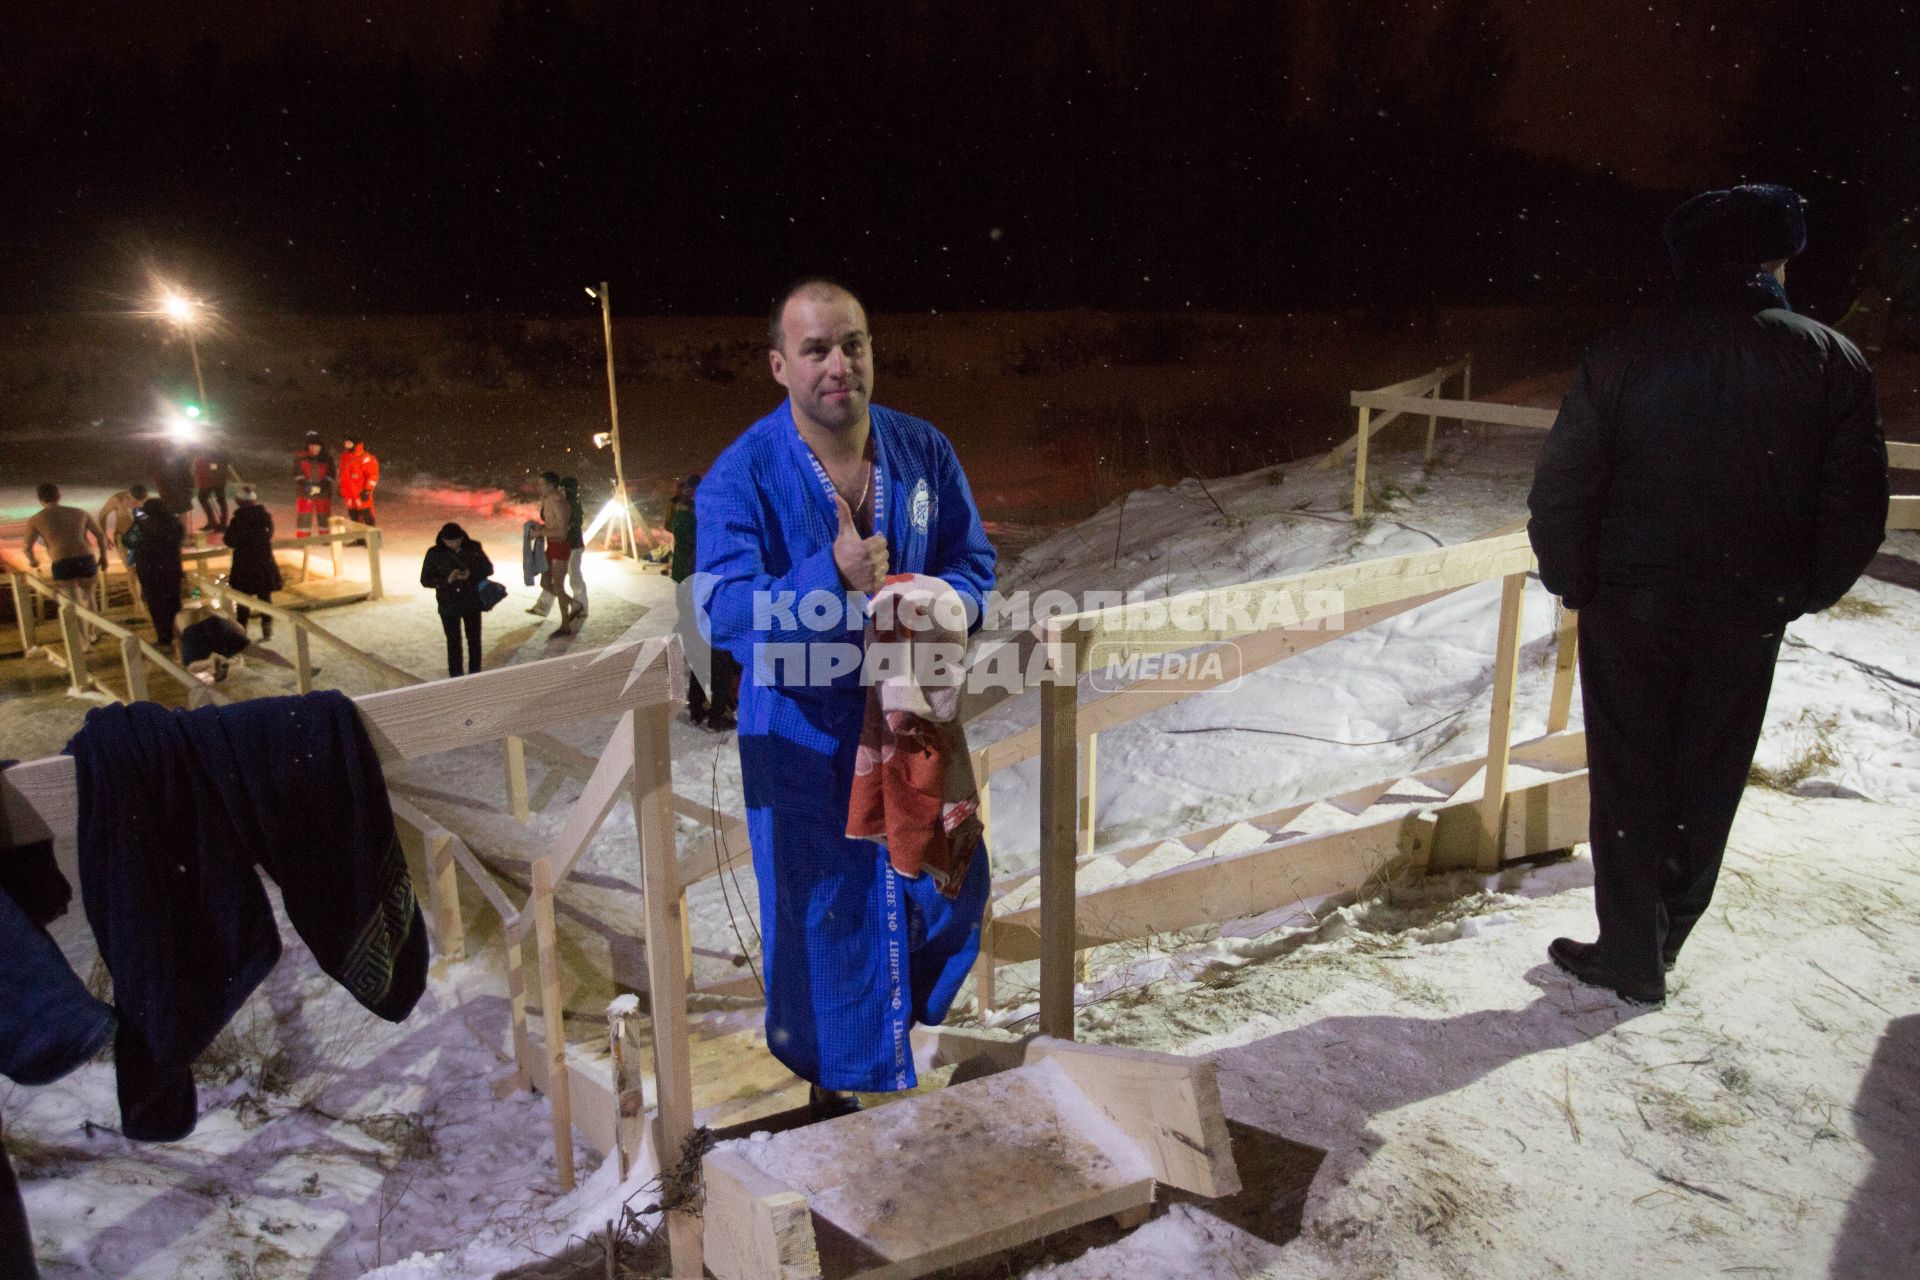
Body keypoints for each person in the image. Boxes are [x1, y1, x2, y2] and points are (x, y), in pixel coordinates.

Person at [1528, 184, 1888, 1006]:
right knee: (1709, 770)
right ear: (1776, 260)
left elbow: (1564, 488)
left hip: (1632, 603)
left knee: (1630, 774)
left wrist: (1575, 580)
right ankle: (1668, 929)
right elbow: (1855, 506)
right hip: (1745, 608)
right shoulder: (1831, 357)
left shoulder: (1624, 352)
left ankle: (1630, 950)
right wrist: (1799, 590)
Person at [697, 277, 996, 1115]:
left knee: (945, 887)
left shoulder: (924, 450)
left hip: (912, 726)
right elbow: (724, 610)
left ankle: (898, 1050)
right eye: (816, 349)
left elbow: (974, 564)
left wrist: (947, 602)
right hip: (802, 738)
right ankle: (834, 1105)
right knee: (824, 920)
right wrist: (826, 577)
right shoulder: (740, 476)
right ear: (779, 365)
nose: (839, 365)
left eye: (853, 343)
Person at [667, 473, 738, 729]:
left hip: (697, 604)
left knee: (701, 658)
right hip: (715, 608)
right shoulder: (722, 541)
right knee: (721, 663)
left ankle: (697, 708)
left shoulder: (704, 537)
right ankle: (717, 716)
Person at [23, 484, 111, 637]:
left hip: (62, 561)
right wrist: (103, 556)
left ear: (40, 499)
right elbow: (100, 535)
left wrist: (33, 561)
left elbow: (26, 547)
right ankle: (92, 633)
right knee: (89, 597)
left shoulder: (36, 519)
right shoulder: (79, 512)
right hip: (85, 557)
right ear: (59, 496)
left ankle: (84, 642)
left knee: (73, 603)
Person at [420, 522, 493, 677]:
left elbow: (488, 568)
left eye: (456, 540)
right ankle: (456, 676)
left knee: (474, 639)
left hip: (471, 601)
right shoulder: (434, 553)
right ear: (443, 540)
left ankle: (475, 674)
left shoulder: (473, 547)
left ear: (461, 537)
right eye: (449, 541)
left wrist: (470, 573)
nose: (453, 544)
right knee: (453, 642)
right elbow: (425, 580)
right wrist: (447, 580)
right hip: (448, 603)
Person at [125, 499, 187, 652]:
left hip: (150, 569)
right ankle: (179, 634)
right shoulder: (175, 523)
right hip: (171, 568)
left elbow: (128, 541)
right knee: (174, 602)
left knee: (156, 604)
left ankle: (164, 637)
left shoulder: (142, 525)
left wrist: (136, 521)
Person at [221, 486, 282, 638]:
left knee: (243, 600)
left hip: (244, 565)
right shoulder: (264, 516)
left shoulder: (238, 520)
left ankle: (242, 630)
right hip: (263, 562)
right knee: (264, 597)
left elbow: (229, 540)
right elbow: (269, 534)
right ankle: (267, 628)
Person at [530, 475, 589, 621]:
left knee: (572, 577)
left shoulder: (569, 503)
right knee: (551, 580)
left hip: (571, 545)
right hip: (558, 543)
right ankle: (545, 606)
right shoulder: (555, 500)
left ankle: (580, 607)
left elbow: (567, 528)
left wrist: (543, 531)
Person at [294, 432, 334, 538]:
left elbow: (331, 474)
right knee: (304, 517)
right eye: (311, 445)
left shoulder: (327, 458)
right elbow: (297, 472)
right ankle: (303, 539)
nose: (314, 448)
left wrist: (322, 486)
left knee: (324, 517)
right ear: (307, 446)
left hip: (323, 493)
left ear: (321, 447)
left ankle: (325, 538)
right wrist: (306, 485)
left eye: (317, 446)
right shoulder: (300, 457)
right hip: (304, 493)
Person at [338, 435, 380, 527]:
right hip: (349, 495)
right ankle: (360, 539)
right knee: (354, 517)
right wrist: (341, 489)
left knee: (367, 515)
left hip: (361, 493)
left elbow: (373, 475)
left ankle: (371, 537)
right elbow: (342, 475)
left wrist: (368, 489)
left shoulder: (365, 458)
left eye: (350, 443)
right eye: (346, 443)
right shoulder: (344, 458)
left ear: (356, 444)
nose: (347, 445)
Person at [192, 441, 232, 532]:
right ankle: (217, 523)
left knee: (213, 499)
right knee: (218, 500)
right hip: (216, 479)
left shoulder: (217, 452)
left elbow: (214, 466)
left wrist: (212, 471)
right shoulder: (220, 451)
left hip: (214, 479)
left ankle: (217, 523)